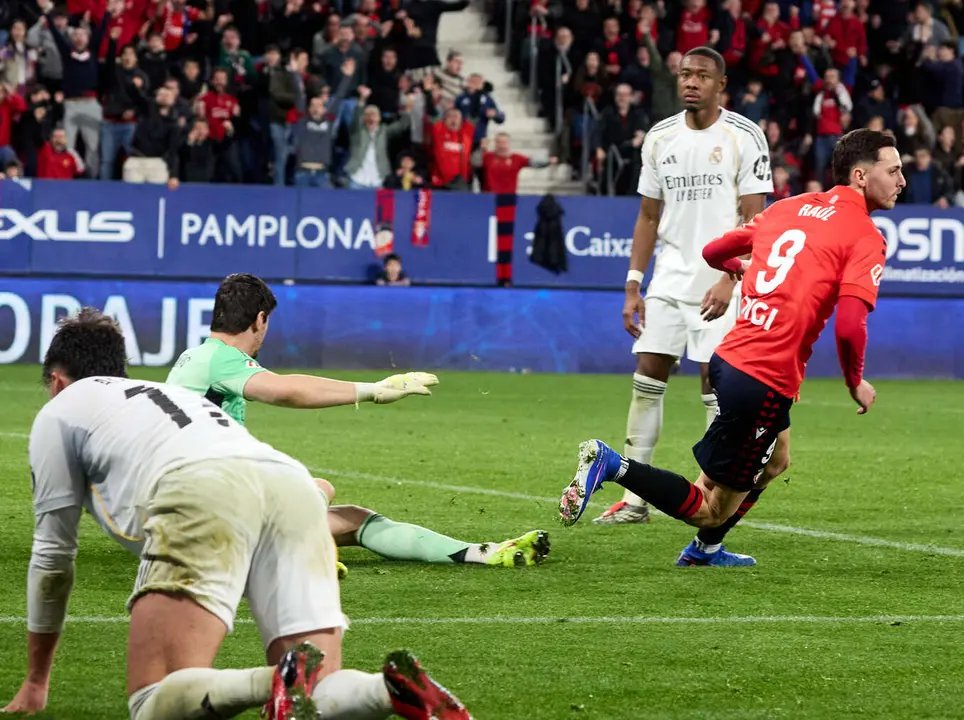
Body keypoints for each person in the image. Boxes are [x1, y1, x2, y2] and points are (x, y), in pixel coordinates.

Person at [7, 308, 470, 720]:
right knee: (322, 688)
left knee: (151, 699)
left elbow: (52, 559)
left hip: (201, 489)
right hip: (292, 486)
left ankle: (273, 682)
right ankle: (385, 691)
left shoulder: (60, 410)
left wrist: (36, 681)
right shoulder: (161, 393)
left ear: (57, 381)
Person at [559, 129, 901, 564]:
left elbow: (713, 250)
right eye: (893, 170)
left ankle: (708, 550)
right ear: (860, 175)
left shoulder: (789, 208)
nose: (901, 180)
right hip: (764, 378)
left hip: (732, 357)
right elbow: (851, 327)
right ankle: (612, 465)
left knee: (777, 460)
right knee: (708, 506)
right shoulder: (865, 236)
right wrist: (855, 383)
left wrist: (737, 266)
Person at [167, 274, 550, 574]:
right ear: (260, 319)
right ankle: (299, 555)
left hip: (189, 508)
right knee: (318, 487)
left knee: (355, 520)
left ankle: (482, 553)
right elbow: (285, 390)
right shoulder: (220, 358)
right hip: (207, 511)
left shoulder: (193, 357)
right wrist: (373, 390)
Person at [595, 46, 773, 539]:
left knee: (716, 388)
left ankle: (713, 494)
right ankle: (633, 498)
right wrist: (634, 283)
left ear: (722, 85)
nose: (691, 82)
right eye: (684, 74)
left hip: (723, 279)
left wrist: (730, 275)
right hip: (670, 280)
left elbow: (754, 219)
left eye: (702, 76)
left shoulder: (744, 136)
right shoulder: (660, 137)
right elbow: (649, 216)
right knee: (647, 373)